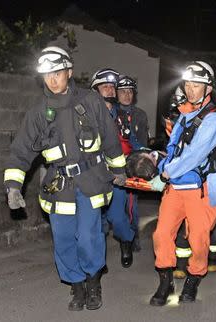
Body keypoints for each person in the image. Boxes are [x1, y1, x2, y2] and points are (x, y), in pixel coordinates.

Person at [3, 46, 126, 311]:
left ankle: (93, 283)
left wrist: (119, 170)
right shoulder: (38, 112)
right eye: (47, 75)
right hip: (59, 185)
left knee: (88, 234)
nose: (53, 79)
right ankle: (76, 285)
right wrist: (13, 186)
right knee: (63, 237)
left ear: (69, 72)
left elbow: (110, 137)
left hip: (91, 181)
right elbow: (21, 151)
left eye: (57, 72)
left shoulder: (91, 101)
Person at [149, 61, 216, 306]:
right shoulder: (183, 116)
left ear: (208, 88)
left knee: (199, 239)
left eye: (197, 85)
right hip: (176, 189)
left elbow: (195, 156)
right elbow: (172, 150)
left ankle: (194, 278)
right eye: (188, 84)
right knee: (162, 234)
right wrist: (160, 165)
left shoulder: (215, 120)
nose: (191, 89)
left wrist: (164, 175)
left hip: (202, 189)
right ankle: (165, 281)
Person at [90, 68, 136, 267]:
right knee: (96, 221)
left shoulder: (123, 116)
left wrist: (147, 155)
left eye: (112, 87)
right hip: (94, 175)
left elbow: (132, 141)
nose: (109, 90)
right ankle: (99, 260)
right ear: (95, 90)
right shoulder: (85, 114)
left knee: (117, 217)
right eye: (104, 86)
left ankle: (127, 240)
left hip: (117, 176)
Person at [116, 75, 150, 251]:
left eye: (130, 92)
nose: (127, 95)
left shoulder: (140, 115)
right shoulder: (110, 112)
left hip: (131, 165)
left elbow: (142, 144)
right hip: (110, 165)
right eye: (123, 91)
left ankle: (131, 238)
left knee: (130, 205)